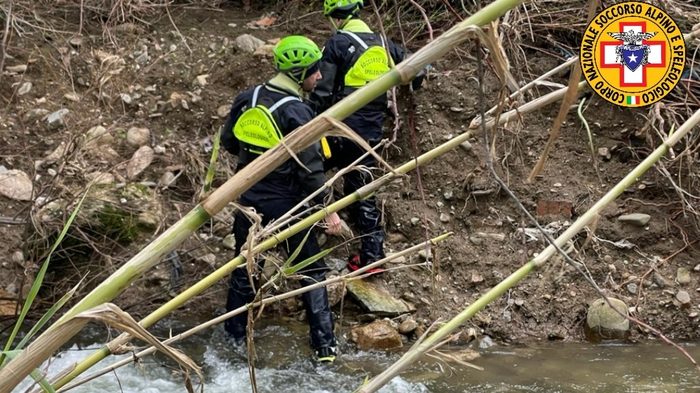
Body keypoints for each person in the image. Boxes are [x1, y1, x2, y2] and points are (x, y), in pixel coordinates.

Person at [221, 35, 342, 363]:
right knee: (311, 272)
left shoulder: (249, 97)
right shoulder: (297, 112)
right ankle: (325, 350)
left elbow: (230, 142)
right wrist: (327, 212)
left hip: (247, 199)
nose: (319, 77)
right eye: (315, 71)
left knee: (245, 268)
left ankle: (232, 340)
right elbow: (311, 169)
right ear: (301, 72)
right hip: (289, 205)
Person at [310, 0, 410, 274]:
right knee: (364, 192)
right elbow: (416, 68)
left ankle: (305, 240)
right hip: (370, 135)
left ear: (334, 18)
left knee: (309, 175)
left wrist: (308, 121)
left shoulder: (337, 43)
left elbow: (322, 91)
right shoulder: (384, 43)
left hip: (338, 132)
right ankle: (372, 258)